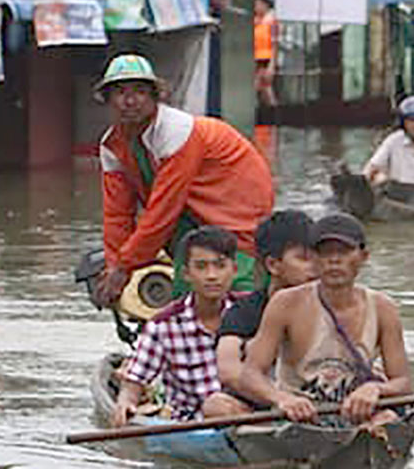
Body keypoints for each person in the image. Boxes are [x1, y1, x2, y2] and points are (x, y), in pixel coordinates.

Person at [94, 54, 274, 308]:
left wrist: (124, 267)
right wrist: (114, 265)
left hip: (234, 208)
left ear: (155, 97)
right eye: (120, 92)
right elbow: (117, 215)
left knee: (234, 285)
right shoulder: (112, 146)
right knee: (189, 286)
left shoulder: (177, 131)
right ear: (109, 99)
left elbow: (163, 209)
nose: (130, 101)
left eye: (140, 92)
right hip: (189, 215)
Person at [236, 212, 413, 426]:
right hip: (300, 419)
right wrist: (282, 399)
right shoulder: (285, 304)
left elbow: (402, 383)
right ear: (313, 258)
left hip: (357, 414)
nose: (334, 260)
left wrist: (375, 389)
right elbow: (250, 375)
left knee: (386, 420)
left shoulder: (383, 308)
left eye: (344, 251)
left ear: (364, 257)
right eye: (325, 252)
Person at [111, 225, 250, 425]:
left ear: (234, 270)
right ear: (186, 273)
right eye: (201, 267)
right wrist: (126, 402)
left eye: (220, 266)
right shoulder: (163, 324)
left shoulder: (250, 311)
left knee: (221, 406)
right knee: (216, 406)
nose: (212, 276)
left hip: (246, 412)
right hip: (190, 422)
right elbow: (135, 381)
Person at [216, 209, 321, 402]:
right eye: (304, 258)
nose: (315, 267)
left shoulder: (333, 306)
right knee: (217, 405)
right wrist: (279, 399)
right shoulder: (244, 312)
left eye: (318, 257)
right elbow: (228, 371)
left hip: (318, 397)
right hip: (264, 402)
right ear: (273, 265)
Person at [253, 0, 278, 109]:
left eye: (258, 4)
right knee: (264, 88)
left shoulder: (271, 21)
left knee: (262, 86)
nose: (256, 7)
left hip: (265, 58)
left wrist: (272, 64)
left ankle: (272, 114)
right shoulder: (257, 21)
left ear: (265, 5)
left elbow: (274, 43)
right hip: (257, 57)